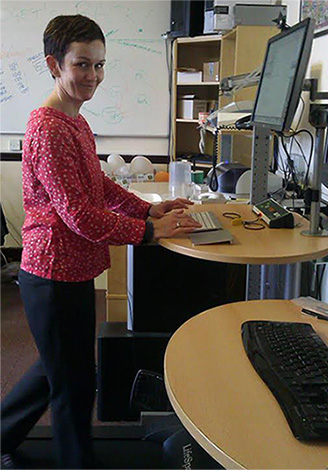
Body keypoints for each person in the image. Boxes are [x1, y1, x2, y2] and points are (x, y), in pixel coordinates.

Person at [0, 14, 200, 470]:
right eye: (82, 65)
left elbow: (101, 186)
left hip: (70, 269)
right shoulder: (48, 129)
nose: (93, 76)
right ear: (55, 64)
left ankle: (3, 435)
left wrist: (148, 209)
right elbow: (79, 216)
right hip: (51, 274)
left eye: (100, 65)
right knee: (73, 383)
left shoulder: (76, 122)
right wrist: (148, 232)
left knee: (57, 368)